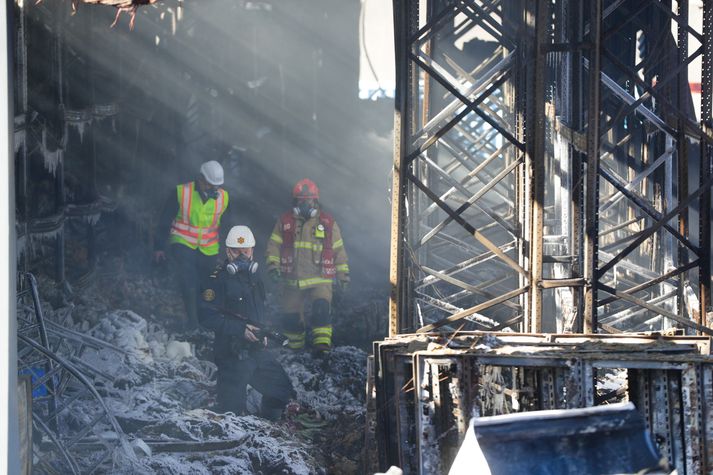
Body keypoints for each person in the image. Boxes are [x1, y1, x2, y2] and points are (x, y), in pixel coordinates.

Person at [199, 225, 295, 420]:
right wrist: (240, 330)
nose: (242, 256)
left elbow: (257, 311)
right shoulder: (216, 280)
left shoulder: (255, 277)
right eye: (236, 251)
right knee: (231, 411)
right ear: (227, 251)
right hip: (231, 354)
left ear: (252, 250)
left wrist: (261, 333)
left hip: (256, 350)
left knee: (282, 390)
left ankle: (268, 428)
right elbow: (207, 317)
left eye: (246, 251)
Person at [265, 178, 350, 352]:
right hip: (292, 281)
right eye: (301, 200)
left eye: (309, 200)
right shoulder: (285, 221)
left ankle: (322, 348)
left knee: (321, 310)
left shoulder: (327, 223)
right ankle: (295, 351)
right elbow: (273, 246)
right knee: (291, 318)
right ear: (295, 201)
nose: (305, 204)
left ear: (316, 201)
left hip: (320, 279)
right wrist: (273, 267)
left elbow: (339, 251)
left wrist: (343, 276)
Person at [153, 160, 229, 330]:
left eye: (216, 186)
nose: (213, 190)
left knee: (207, 283)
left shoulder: (223, 198)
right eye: (210, 185)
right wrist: (158, 246)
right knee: (188, 279)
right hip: (182, 241)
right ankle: (193, 323)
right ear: (200, 179)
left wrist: (229, 250)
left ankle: (205, 319)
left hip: (209, 247)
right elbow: (165, 219)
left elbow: (227, 224)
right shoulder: (181, 193)